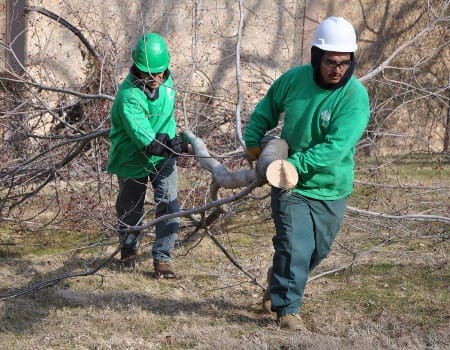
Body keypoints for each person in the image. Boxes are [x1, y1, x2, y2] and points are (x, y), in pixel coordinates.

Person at [243, 16, 370, 330]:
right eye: (330, 61)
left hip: (331, 186)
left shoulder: (354, 97)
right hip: (289, 185)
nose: (337, 69)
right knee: (294, 245)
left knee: (317, 250)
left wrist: (296, 165)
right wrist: (252, 142)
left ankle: (279, 280)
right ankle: (287, 310)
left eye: (344, 62)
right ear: (316, 57)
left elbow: (336, 147)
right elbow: (267, 107)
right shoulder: (294, 80)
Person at [107, 32, 189, 278]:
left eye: (160, 72)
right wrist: (174, 145)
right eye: (149, 73)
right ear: (137, 68)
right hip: (132, 156)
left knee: (169, 205)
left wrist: (174, 141)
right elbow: (149, 142)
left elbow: (166, 119)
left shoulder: (167, 82)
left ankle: (162, 259)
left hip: (163, 156)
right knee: (131, 209)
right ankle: (129, 248)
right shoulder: (128, 98)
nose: (156, 78)